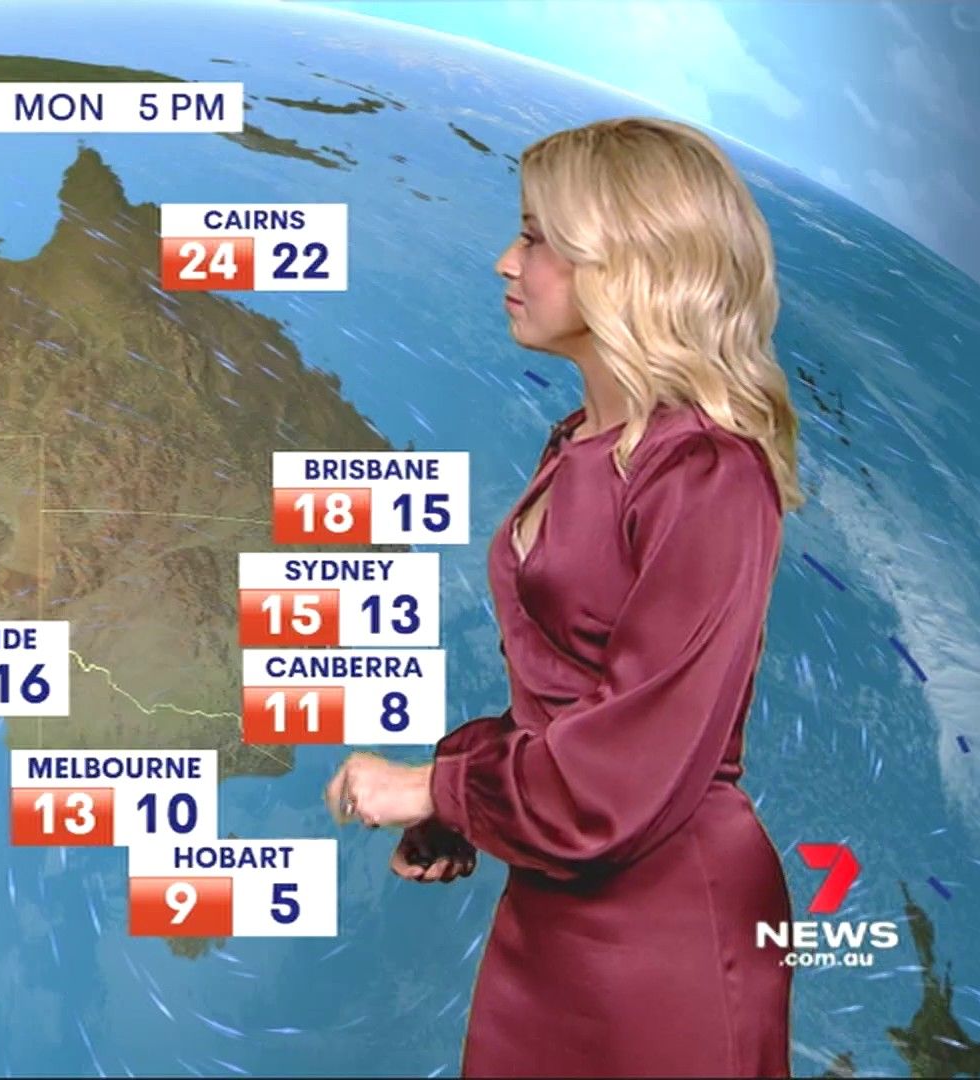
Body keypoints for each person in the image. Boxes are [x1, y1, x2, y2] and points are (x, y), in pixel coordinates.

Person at [324, 116, 808, 1078]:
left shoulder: (708, 476)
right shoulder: (581, 444)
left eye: (537, 238)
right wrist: (463, 799)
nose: (507, 262)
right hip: (560, 911)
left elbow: (629, 765)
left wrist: (431, 786)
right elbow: (573, 697)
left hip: (667, 937)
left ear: (625, 265)